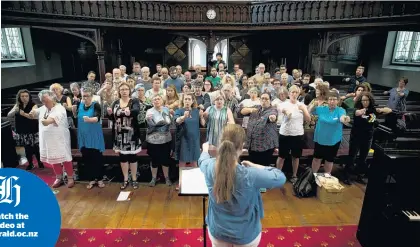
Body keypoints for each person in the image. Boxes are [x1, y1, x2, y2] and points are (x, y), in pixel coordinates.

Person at [198, 124, 286, 246]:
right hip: (245, 234)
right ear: (242, 146)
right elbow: (280, 177)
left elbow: (202, 159)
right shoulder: (251, 174)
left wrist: (205, 150)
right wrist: (256, 166)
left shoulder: (210, 166)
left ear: (220, 143)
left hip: (218, 231)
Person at [343, 92, 392, 185]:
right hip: (356, 137)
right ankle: (346, 176)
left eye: (367, 100)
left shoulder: (373, 110)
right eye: (363, 100)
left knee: (363, 158)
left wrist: (380, 110)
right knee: (352, 157)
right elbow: (356, 113)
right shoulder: (357, 109)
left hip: (368, 137)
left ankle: (359, 175)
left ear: (370, 100)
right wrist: (361, 111)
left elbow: (388, 110)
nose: (365, 102)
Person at [29, 90, 74, 188]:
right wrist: (32, 111)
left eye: (46, 100)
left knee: (65, 157)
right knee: (53, 158)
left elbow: (53, 119)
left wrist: (47, 121)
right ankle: (59, 177)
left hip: (59, 138)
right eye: (42, 101)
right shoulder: (43, 108)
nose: (44, 103)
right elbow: (34, 112)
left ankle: (70, 177)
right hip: (47, 139)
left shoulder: (59, 108)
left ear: (52, 98)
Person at [107, 83, 142, 190]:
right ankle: (125, 179)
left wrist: (129, 112)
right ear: (119, 91)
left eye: (126, 89)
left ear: (129, 91)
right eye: (122, 89)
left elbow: (136, 111)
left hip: (132, 135)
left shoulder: (134, 101)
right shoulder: (116, 103)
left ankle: (134, 178)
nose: (124, 91)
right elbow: (113, 119)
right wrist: (109, 114)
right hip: (119, 135)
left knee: (133, 158)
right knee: (123, 158)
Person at [308, 90, 351, 174]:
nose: (332, 101)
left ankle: (327, 176)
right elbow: (308, 111)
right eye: (330, 99)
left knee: (329, 160)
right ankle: (313, 176)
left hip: (333, 141)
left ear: (338, 101)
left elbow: (343, 118)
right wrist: (314, 104)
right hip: (320, 139)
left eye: (334, 99)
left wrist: (345, 119)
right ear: (327, 100)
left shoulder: (340, 110)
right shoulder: (321, 109)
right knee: (317, 158)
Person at [72, 88, 106, 189]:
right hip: (83, 136)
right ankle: (91, 179)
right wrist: (74, 112)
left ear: (91, 96)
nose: (85, 98)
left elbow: (97, 117)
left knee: (97, 158)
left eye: (87, 96)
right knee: (87, 158)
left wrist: (89, 119)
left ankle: (99, 179)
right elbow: (76, 117)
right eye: (83, 96)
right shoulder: (80, 105)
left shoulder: (96, 105)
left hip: (94, 135)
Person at [8, 89, 43, 170]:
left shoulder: (33, 104)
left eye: (26, 96)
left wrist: (23, 114)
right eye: (22, 96)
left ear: (29, 97)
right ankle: (30, 163)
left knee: (36, 147)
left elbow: (33, 116)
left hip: (33, 130)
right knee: (27, 148)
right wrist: (14, 111)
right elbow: (9, 115)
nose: (24, 98)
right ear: (19, 97)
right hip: (22, 130)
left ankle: (40, 162)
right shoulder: (17, 105)